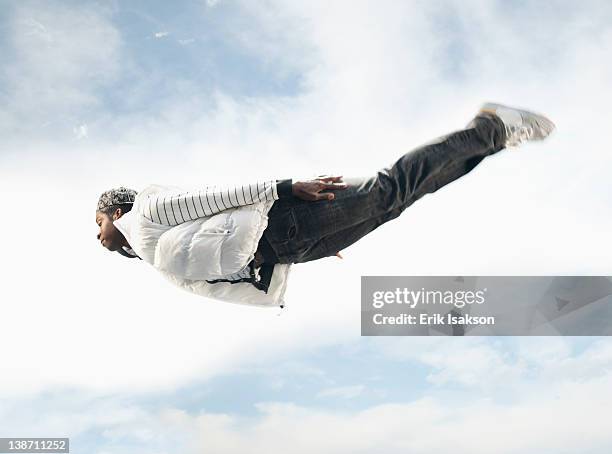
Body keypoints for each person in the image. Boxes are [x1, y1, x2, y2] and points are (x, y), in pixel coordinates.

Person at [95, 102, 555, 309]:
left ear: (117, 213)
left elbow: (212, 197)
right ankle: (491, 141)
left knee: (389, 188)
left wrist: (287, 187)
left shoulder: (149, 214)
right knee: (395, 203)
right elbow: (228, 266)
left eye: (98, 224)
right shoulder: (158, 257)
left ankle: (489, 128)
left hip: (286, 218)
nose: (99, 238)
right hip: (294, 246)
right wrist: (299, 251)